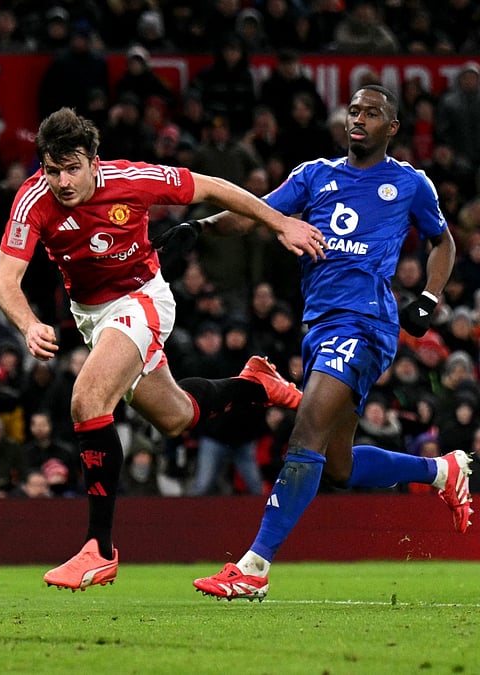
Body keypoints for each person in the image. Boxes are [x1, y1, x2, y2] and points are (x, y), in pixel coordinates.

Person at [0, 106, 326, 591]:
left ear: (94, 161)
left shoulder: (134, 179)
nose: (62, 181)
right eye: (52, 169)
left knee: (87, 401)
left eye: (72, 168)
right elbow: (5, 279)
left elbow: (212, 186)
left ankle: (98, 550)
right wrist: (26, 322)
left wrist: (279, 223)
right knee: (176, 417)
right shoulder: (33, 201)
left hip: (142, 298)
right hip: (92, 315)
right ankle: (255, 385)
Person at [191, 85, 470, 601]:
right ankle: (440, 470)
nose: (358, 118)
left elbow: (443, 241)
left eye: (373, 113)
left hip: (365, 323)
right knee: (336, 466)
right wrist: (199, 226)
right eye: (355, 110)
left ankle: (253, 568)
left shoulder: (410, 184)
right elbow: (253, 213)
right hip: (319, 325)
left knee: (305, 436)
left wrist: (429, 299)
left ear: (393, 128)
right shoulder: (313, 175)